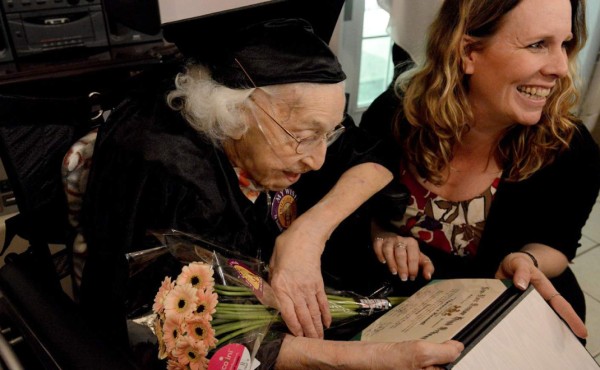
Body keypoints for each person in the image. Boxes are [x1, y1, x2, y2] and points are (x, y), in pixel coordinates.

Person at [80, 18, 464, 369]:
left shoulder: (298, 120)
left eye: (328, 133)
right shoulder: (170, 171)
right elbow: (184, 332)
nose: (317, 159)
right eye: (306, 136)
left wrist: (309, 233)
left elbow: (372, 160)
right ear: (235, 113)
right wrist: (372, 359)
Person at [362, 0, 598, 339]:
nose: (561, 67)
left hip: (503, 314)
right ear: (469, 51)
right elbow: (360, 208)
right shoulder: (395, 115)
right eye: (537, 44)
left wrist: (527, 262)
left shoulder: (569, 148)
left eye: (565, 44)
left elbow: (558, 244)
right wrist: (381, 236)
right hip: (402, 311)